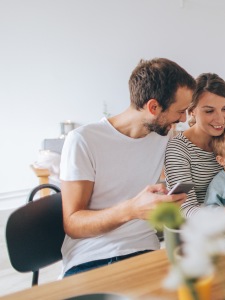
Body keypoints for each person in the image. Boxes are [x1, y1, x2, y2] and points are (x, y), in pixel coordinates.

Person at [59, 58, 196, 277]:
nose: (183, 118)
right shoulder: (83, 140)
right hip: (92, 257)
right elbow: (73, 224)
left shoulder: (164, 135)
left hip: (145, 252)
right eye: (180, 111)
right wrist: (131, 210)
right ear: (153, 107)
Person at [164, 73, 225, 218]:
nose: (220, 119)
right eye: (209, 111)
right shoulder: (178, 149)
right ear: (191, 111)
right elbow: (186, 208)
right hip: (199, 229)